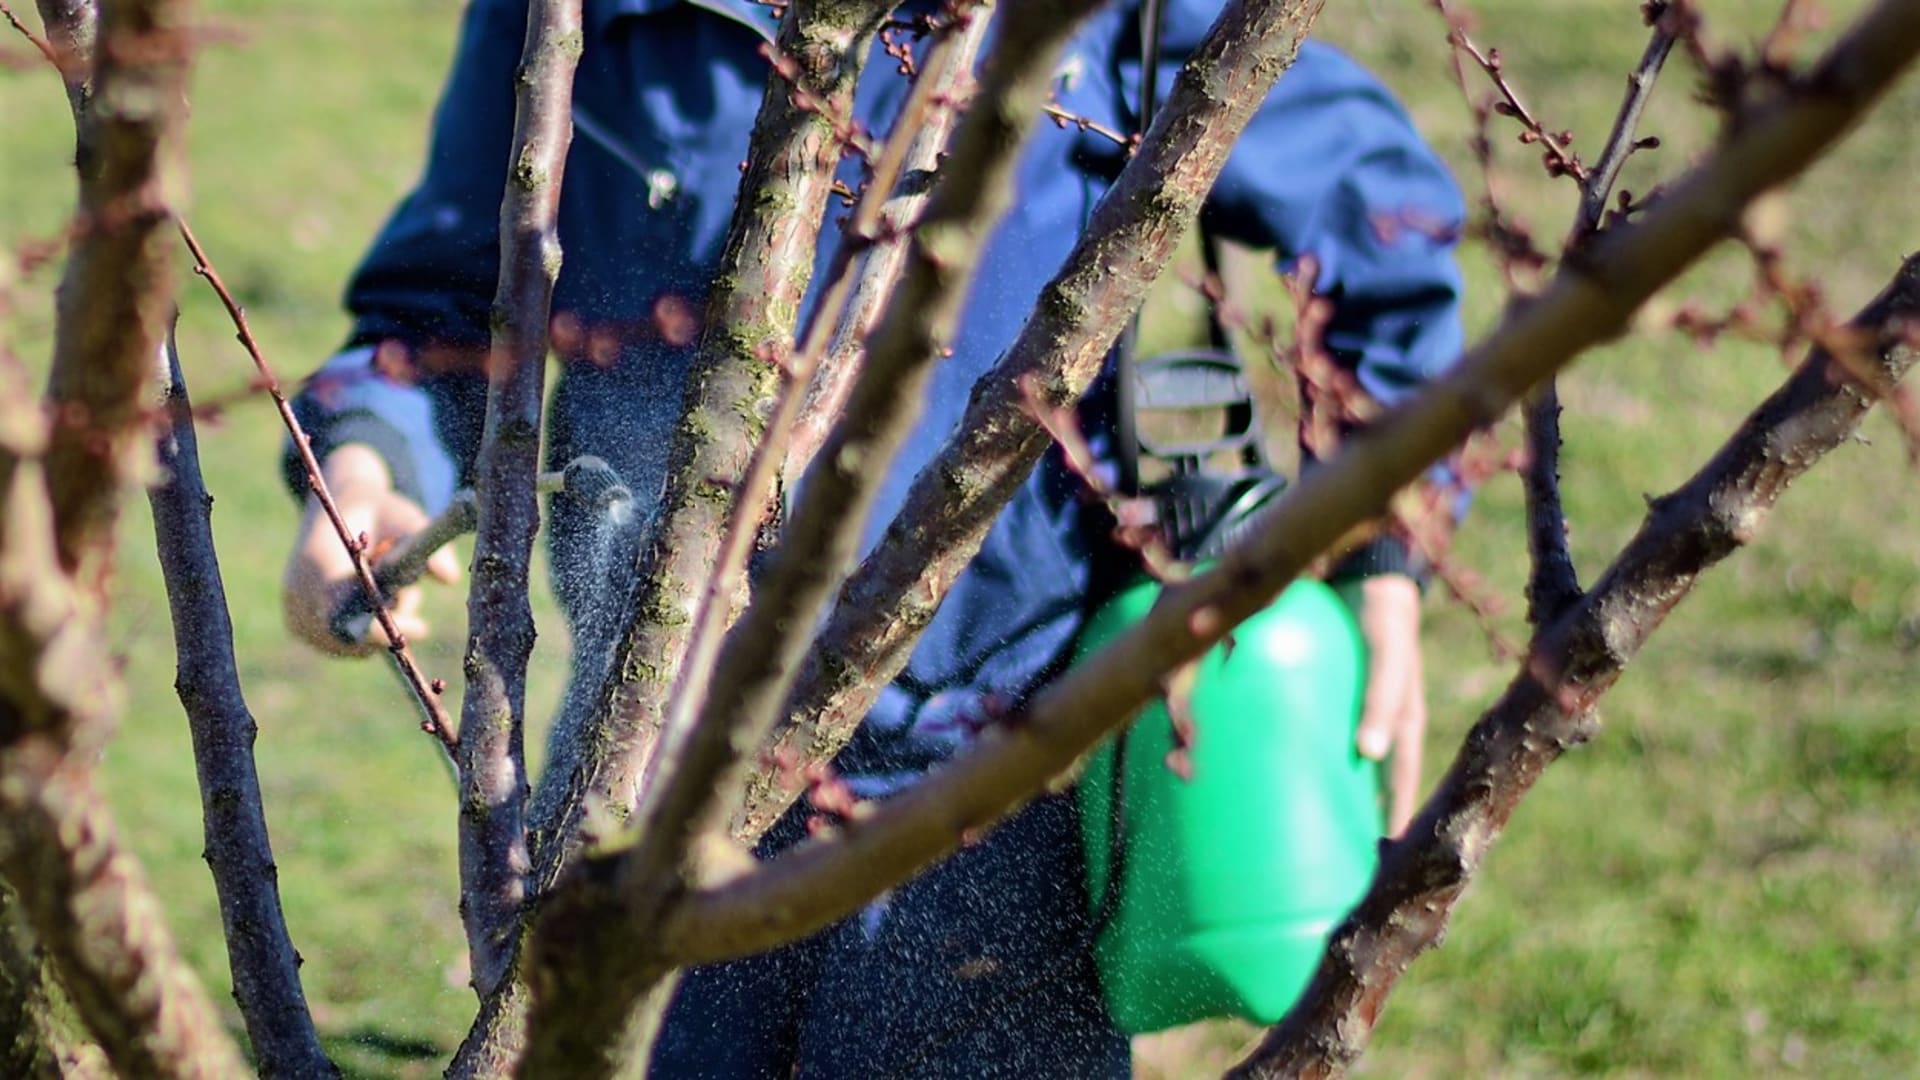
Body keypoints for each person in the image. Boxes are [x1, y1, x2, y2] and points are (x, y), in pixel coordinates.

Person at [280, 0, 1466, 1075]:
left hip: (997, 782)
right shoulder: (573, 14)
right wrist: (368, 459)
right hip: (644, 780)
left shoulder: (1113, 16)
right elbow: (443, 311)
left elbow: (1380, 212)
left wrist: (1386, 540)